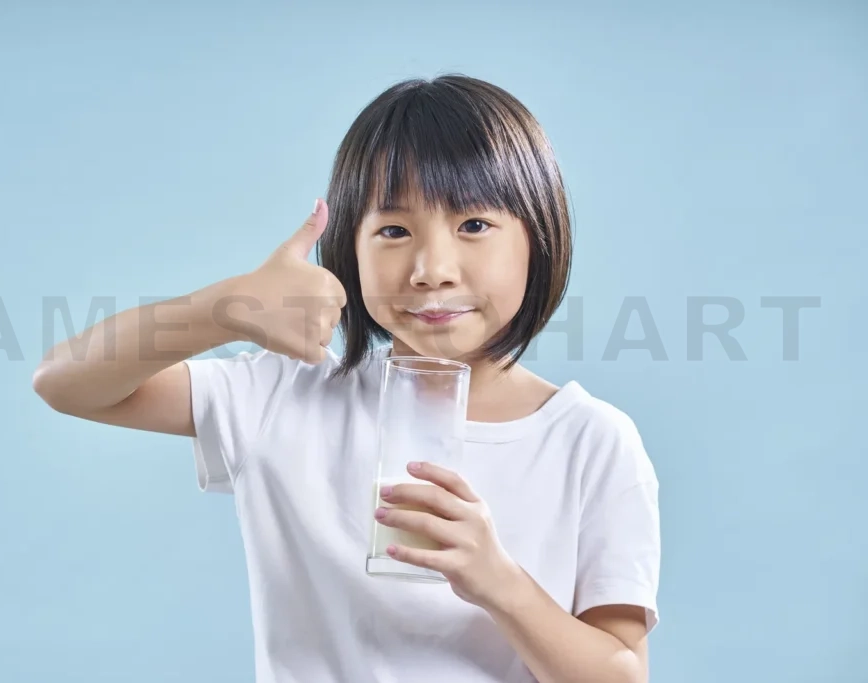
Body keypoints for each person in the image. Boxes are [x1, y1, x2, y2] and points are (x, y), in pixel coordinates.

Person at [33, 74, 661, 683]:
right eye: (394, 230)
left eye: (474, 225)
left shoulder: (592, 442)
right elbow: (65, 381)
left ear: (539, 238)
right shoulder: (284, 396)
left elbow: (621, 673)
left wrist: (499, 581)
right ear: (348, 253)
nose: (432, 268)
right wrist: (223, 309)